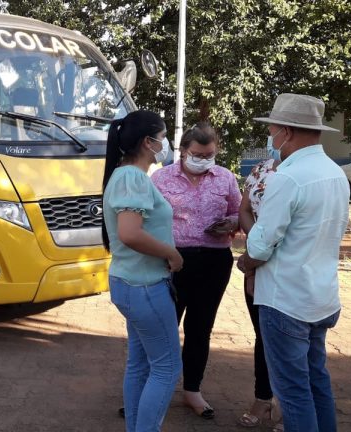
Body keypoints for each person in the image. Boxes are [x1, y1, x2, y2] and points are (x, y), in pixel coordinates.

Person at [237, 93, 349, 432]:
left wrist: (246, 263)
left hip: (286, 301)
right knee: (317, 382)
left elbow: (262, 243)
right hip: (320, 296)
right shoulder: (335, 174)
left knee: (294, 392)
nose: (270, 137)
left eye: (272, 130)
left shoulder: (288, 177)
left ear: (286, 131)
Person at [151, 122, 241, 419]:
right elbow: (148, 219)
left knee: (200, 328)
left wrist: (230, 223)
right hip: (172, 261)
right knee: (163, 327)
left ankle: (192, 390)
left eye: (209, 154)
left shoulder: (225, 178)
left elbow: (238, 212)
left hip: (214, 261)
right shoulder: (161, 178)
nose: (204, 159)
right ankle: (152, 390)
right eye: (198, 154)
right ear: (183, 151)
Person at [102, 110, 183, 432]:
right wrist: (171, 253)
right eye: (163, 138)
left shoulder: (126, 176)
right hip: (145, 286)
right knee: (167, 367)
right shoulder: (132, 177)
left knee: (141, 364)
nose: (166, 144)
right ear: (148, 142)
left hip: (133, 284)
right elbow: (130, 233)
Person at [237, 146, 284, 430]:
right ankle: (263, 398)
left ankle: (288, 404)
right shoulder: (261, 169)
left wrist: (259, 253)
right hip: (257, 264)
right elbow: (244, 209)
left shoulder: (307, 173)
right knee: (263, 335)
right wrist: (257, 246)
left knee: (289, 339)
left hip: (289, 269)